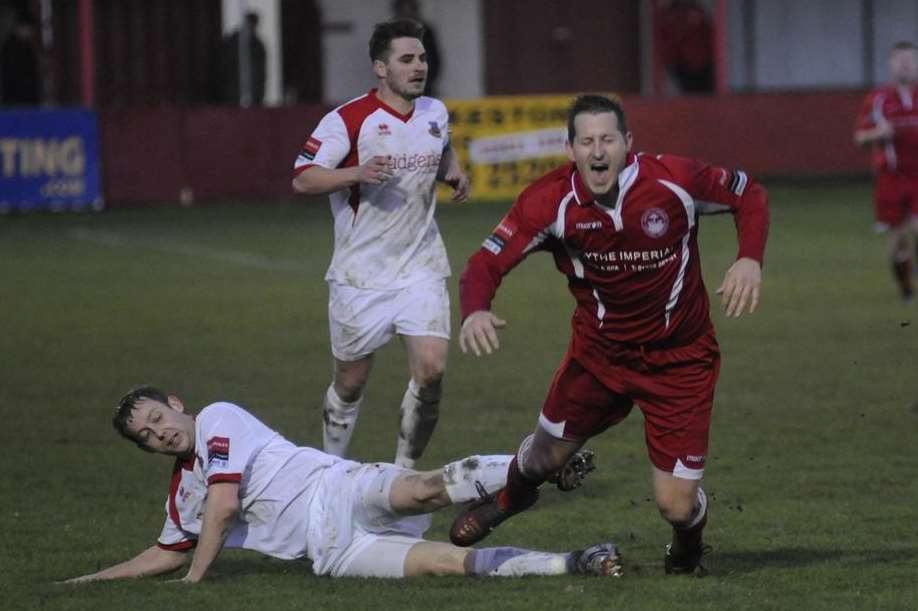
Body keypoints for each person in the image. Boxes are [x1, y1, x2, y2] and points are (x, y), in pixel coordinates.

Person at [449, 95, 769, 576]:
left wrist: (748, 257)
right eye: (587, 142)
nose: (598, 152)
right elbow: (485, 262)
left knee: (676, 506)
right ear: (570, 149)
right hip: (600, 359)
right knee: (541, 459)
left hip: (680, 362)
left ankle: (687, 546)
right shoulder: (549, 201)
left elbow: (750, 195)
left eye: (608, 140)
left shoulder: (674, 181)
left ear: (627, 145)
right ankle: (508, 500)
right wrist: (475, 310)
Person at [62, 386, 617, 583]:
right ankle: (576, 562)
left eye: (158, 417)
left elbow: (225, 506)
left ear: (175, 405)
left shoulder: (217, 419)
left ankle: (539, 462)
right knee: (449, 565)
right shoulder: (181, 492)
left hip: (338, 488)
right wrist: (91, 580)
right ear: (146, 449)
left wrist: (194, 582)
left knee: (425, 487)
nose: (159, 432)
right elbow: (164, 552)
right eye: (147, 435)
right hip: (333, 552)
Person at [291, 20, 470, 469]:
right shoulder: (348, 120)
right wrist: (356, 172)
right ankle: (330, 470)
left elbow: (441, 146)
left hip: (421, 265)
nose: (418, 67)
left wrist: (453, 169)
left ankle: (403, 476)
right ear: (380, 67)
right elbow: (303, 177)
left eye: (422, 58)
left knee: (431, 371)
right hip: (361, 275)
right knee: (350, 384)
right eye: (406, 60)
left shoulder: (434, 111)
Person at [854, 41, 918, 303]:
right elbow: (859, 138)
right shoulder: (878, 99)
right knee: (897, 243)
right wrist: (876, 133)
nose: (904, 64)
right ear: (891, 65)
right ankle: (905, 288)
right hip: (890, 179)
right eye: (899, 59)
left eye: (909, 59)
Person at [392, 0, 441, 97]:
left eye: (409, 12)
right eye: (403, 12)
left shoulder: (425, 31)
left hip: (423, 83)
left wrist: (428, 79)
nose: (406, 16)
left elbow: (434, 58)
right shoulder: (392, 32)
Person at [219, 11, 266, 106]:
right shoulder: (232, 42)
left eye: (253, 25)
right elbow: (224, 67)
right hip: (232, 93)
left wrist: (259, 95)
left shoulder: (257, 46)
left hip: (253, 95)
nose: (251, 27)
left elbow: (261, 72)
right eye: (249, 24)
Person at [0, 12, 40, 106]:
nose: (30, 33)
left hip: (27, 97)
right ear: (19, 28)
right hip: (15, 98)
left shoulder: (27, 47)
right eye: (28, 29)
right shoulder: (10, 48)